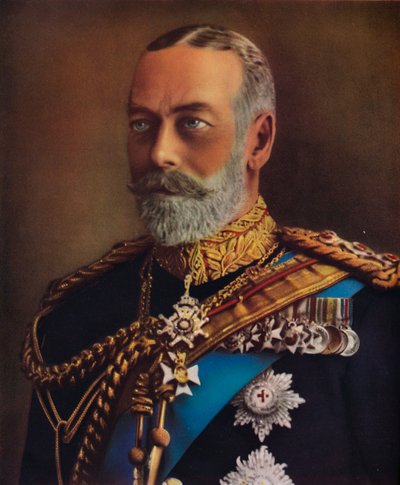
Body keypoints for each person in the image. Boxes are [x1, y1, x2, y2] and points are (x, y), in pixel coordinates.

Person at [20, 25, 399, 485]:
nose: (160, 153)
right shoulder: (74, 320)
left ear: (258, 141)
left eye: (192, 123)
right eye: (141, 124)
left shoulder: (368, 316)